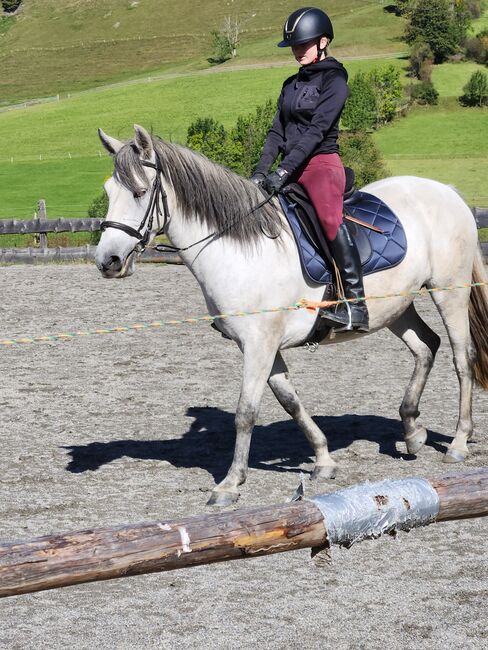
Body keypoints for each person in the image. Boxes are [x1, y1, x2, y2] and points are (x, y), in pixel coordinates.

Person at [251, 7, 369, 332]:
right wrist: (261, 171)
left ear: (323, 41)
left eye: (304, 44)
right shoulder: (290, 84)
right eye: (294, 46)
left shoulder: (335, 80)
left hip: (320, 164)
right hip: (291, 165)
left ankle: (356, 306)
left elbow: (317, 131)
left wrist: (284, 171)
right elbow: (277, 132)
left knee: (330, 219)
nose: (298, 51)